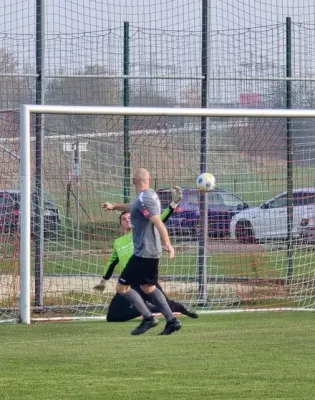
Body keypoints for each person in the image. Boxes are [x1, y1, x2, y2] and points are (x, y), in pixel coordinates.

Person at [94, 187, 198, 322]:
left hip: (144, 276)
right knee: (112, 316)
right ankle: (150, 308)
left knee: (166, 304)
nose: (127, 220)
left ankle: (182, 309)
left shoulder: (142, 231)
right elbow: (111, 263)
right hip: (129, 280)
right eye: (123, 219)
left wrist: (174, 203)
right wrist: (103, 282)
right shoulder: (117, 243)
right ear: (121, 225)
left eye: (129, 217)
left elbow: (161, 218)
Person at [101, 168, 182, 335]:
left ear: (133, 182)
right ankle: (172, 321)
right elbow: (133, 206)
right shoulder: (147, 196)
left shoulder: (145, 199)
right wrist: (114, 206)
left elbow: (158, 221)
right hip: (150, 252)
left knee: (122, 288)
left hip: (143, 253)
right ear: (149, 180)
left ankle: (148, 318)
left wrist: (168, 243)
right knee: (148, 287)